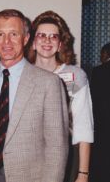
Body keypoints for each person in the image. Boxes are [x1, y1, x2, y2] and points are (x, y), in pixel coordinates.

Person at [0, 9, 69, 182]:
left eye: (14, 34)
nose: (6, 41)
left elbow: (57, 147)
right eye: (0, 34)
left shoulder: (49, 83)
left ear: (25, 39)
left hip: (29, 176)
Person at [26, 10, 94, 182]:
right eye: (41, 35)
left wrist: (83, 174)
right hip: (27, 157)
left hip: (66, 156)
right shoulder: (21, 75)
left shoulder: (76, 75)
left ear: (60, 44)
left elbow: (83, 127)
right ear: (32, 42)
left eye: (53, 36)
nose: (47, 41)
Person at [90, 43, 110, 182]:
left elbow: (93, 98)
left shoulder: (99, 71)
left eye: (101, 54)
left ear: (106, 53)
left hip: (103, 123)